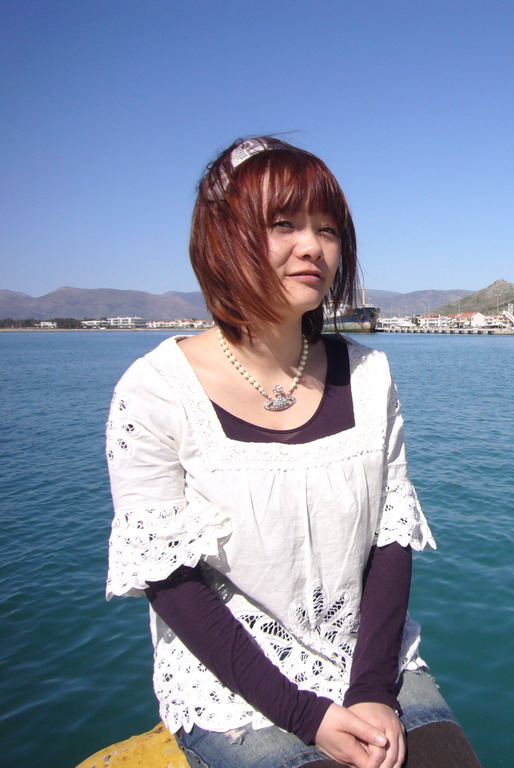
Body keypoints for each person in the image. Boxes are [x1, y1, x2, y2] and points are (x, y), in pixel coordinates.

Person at [105, 137, 481, 768]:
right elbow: (171, 583)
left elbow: (391, 539)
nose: (313, 246)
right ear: (224, 237)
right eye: (284, 224)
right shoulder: (154, 392)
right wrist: (307, 715)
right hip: (236, 691)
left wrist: (369, 693)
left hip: (371, 667)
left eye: (328, 229)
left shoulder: (369, 375)